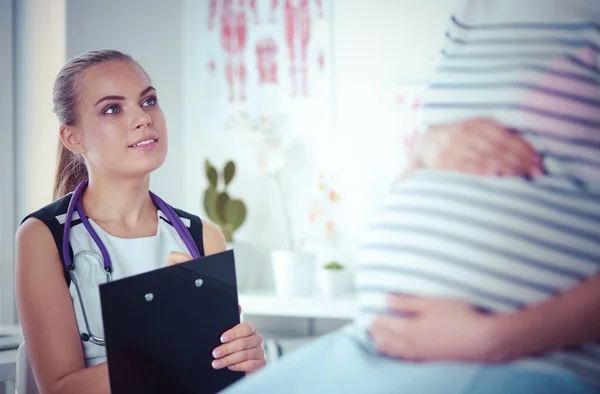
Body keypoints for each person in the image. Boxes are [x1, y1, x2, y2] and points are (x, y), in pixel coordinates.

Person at [219, 0, 600, 393]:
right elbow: (420, 175)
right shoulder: (472, 13)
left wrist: (496, 339)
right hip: (370, 348)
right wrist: (426, 148)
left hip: (532, 363)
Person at [14, 49, 266, 394]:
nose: (143, 118)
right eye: (113, 109)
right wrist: (169, 345)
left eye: (148, 101)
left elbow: (217, 376)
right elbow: (60, 389)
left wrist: (246, 363)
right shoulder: (43, 237)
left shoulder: (202, 236)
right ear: (73, 138)